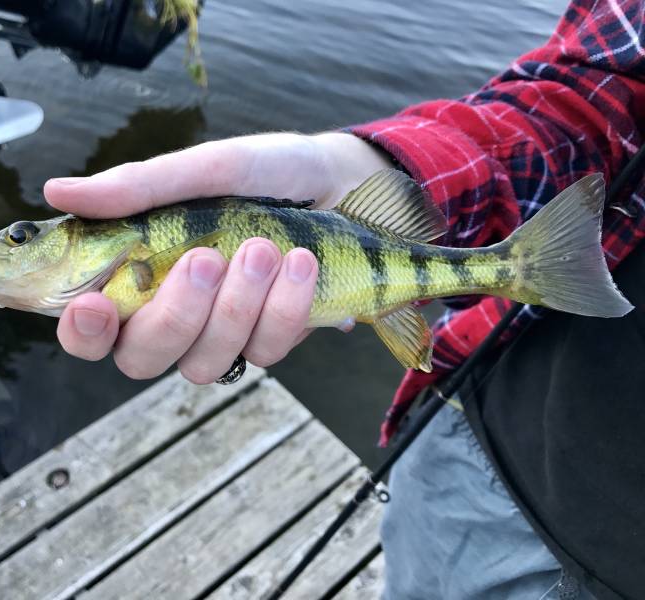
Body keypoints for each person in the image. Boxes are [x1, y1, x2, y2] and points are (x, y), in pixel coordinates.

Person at [44, 1, 645, 598]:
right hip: (493, 438)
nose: (21, 242)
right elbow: (592, 94)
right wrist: (351, 163)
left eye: (24, 236)